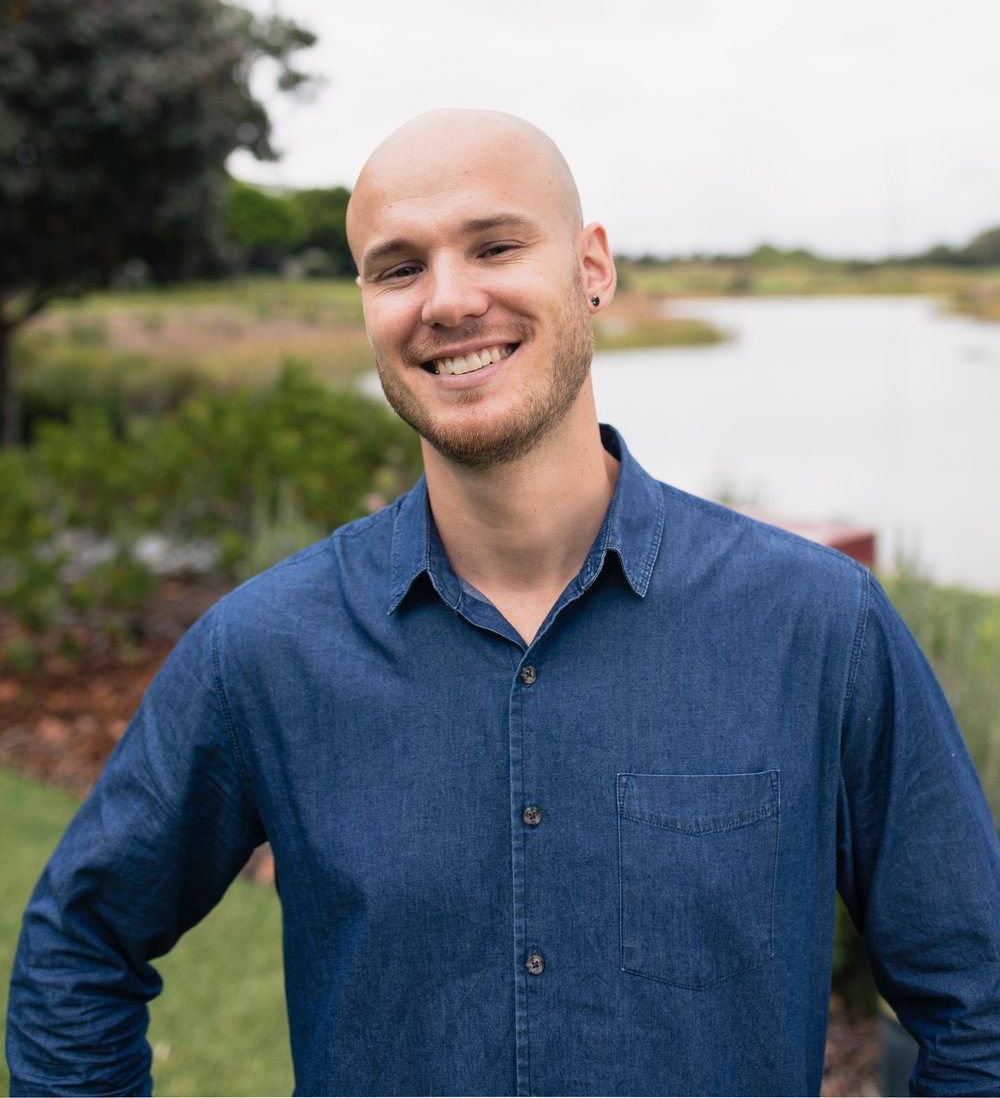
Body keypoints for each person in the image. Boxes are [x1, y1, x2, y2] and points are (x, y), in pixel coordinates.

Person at [6, 109, 999, 1098]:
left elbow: (977, 999)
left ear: (592, 267)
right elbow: (76, 953)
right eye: (397, 267)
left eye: (494, 244)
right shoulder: (264, 650)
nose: (447, 299)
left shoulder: (817, 626)